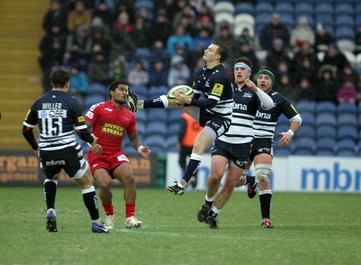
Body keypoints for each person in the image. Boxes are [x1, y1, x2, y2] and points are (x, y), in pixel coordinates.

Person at [134, 42, 234, 196]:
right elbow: (195, 97)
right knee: (175, 98)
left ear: (218, 56)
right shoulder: (200, 72)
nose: (206, 50)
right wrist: (183, 101)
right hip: (207, 112)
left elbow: (212, 102)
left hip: (221, 118)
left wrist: (189, 102)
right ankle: (139, 105)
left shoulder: (220, 76)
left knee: (199, 143)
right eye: (207, 48)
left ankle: (184, 182)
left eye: (210, 50)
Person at [22, 69, 108, 233]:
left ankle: (51, 211)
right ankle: (96, 223)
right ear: (68, 83)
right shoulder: (72, 102)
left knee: (51, 177)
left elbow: (26, 130)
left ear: (51, 82)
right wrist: (91, 140)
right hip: (68, 149)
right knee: (86, 183)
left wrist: (36, 147)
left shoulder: (38, 103)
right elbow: (82, 131)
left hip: (47, 151)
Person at [196, 60, 275, 229]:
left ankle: (214, 214)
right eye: (236, 69)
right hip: (223, 139)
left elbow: (269, 105)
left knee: (231, 182)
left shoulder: (254, 92)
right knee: (216, 176)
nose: (239, 72)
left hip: (243, 144)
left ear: (248, 73)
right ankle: (207, 202)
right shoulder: (225, 87)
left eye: (242, 70)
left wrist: (256, 88)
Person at [234, 69, 302, 229]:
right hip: (243, 140)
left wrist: (290, 133)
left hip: (263, 142)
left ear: (271, 82)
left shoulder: (278, 99)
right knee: (235, 181)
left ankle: (266, 219)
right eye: (260, 78)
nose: (263, 80)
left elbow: (297, 118)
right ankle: (250, 182)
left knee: (263, 177)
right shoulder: (245, 95)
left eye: (266, 78)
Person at [84, 80, 151, 230]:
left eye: (126, 91)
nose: (124, 93)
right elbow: (82, 128)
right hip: (98, 155)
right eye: (121, 89)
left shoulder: (129, 116)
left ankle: (130, 217)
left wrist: (140, 148)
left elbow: (133, 138)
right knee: (105, 183)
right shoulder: (99, 108)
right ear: (112, 93)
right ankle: (109, 215)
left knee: (130, 177)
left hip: (116, 154)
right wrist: (91, 143)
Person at [176, 112, 203, 190]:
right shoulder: (200, 116)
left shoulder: (185, 116)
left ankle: (188, 177)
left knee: (181, 161)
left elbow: (182, 130)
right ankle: (194, 182)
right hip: (197, 144)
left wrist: (179, 142)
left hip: (186, 143)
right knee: (195, 162)